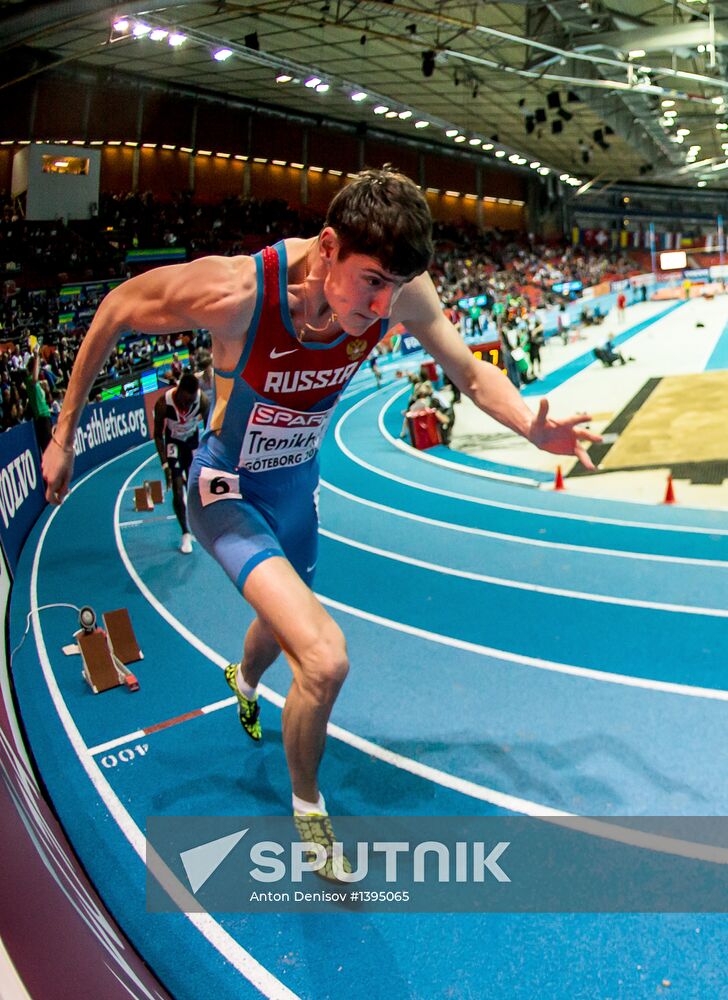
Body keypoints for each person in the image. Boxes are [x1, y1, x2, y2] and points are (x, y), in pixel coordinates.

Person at [42, 167, 600, 879]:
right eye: (371, 283)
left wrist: (529, 423)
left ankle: (241, 681)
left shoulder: (399, 289)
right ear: (328, 247)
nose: (382, 307)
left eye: (394, 290)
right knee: (325, 657)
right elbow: (119, 305)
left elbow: (466, 371)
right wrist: (62, 436)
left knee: (283, 629)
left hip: (296, 486)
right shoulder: (239, 292)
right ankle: (310, 810)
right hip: (227, 490)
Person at [153, 371, 210, 553]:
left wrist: (208, 457)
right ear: (178, 392)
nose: (187, 406)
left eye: (190, 402)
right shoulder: (163, 403)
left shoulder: (202, 402)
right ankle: (185, 533)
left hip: (192, 442)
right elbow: (157, 435)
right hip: (174, 444)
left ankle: (201, 526)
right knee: (178, 489)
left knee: (195, 488)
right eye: (184, 401)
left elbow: (209, 431)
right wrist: (164, 465)